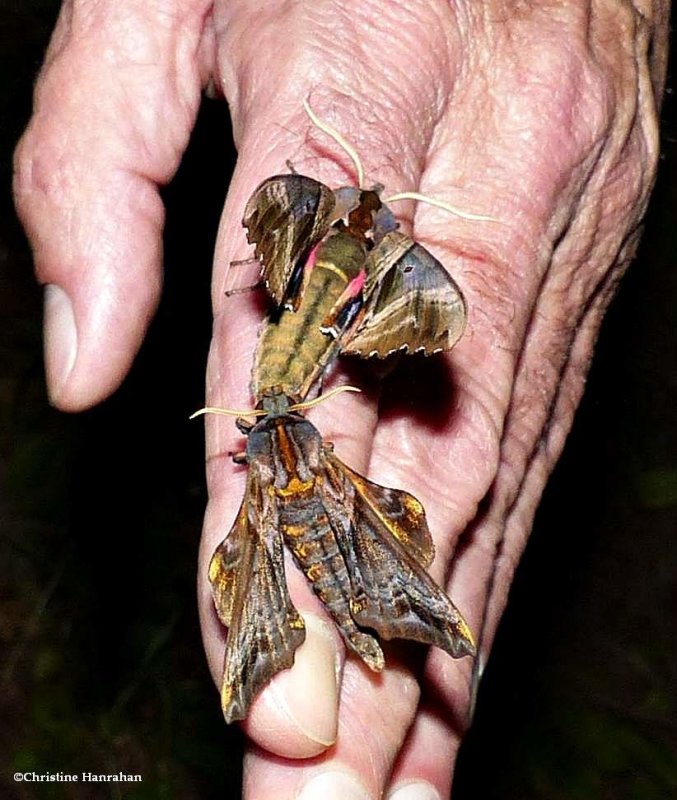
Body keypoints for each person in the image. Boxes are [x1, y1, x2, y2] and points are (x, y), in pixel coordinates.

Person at [13, 2, 669, 798]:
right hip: (306, 368)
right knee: (345, 547)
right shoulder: (314, 224)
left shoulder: (370, 264)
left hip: (311, 362)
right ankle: (363, 619)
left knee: (332, 545)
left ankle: (364, 619)